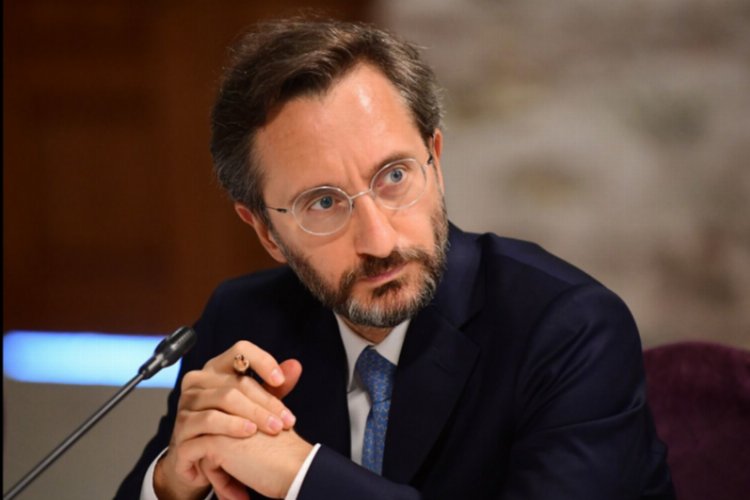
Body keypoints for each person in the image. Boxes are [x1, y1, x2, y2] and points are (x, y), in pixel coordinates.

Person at [116, 17, 675, 500]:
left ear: (435, 159)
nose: (379, 241)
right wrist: (172, 482)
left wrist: (299, 474)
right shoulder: (243, 323)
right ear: (266, 230)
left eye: (394, 176)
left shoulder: (569, 329)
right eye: (324, 203)